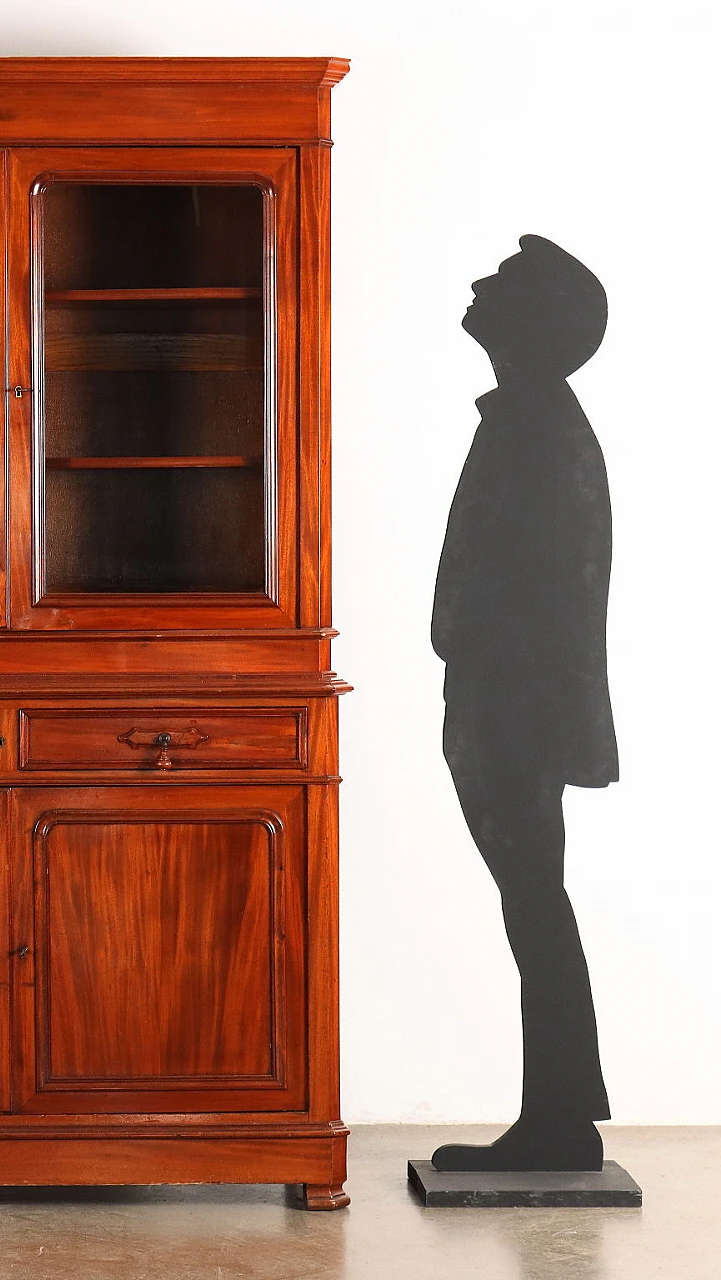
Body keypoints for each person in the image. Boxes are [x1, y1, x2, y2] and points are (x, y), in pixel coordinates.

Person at [430, 235, 618, 1172]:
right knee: (534, 903)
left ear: (534, 322)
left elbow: (551, 586)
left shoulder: (538, 424)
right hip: (507, 701)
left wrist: (508, 699)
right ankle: (560, 1114)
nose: (477, 285)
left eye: (501, 283)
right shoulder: (529, 418)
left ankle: (559, 1121)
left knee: (535, 903)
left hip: (515, 709)